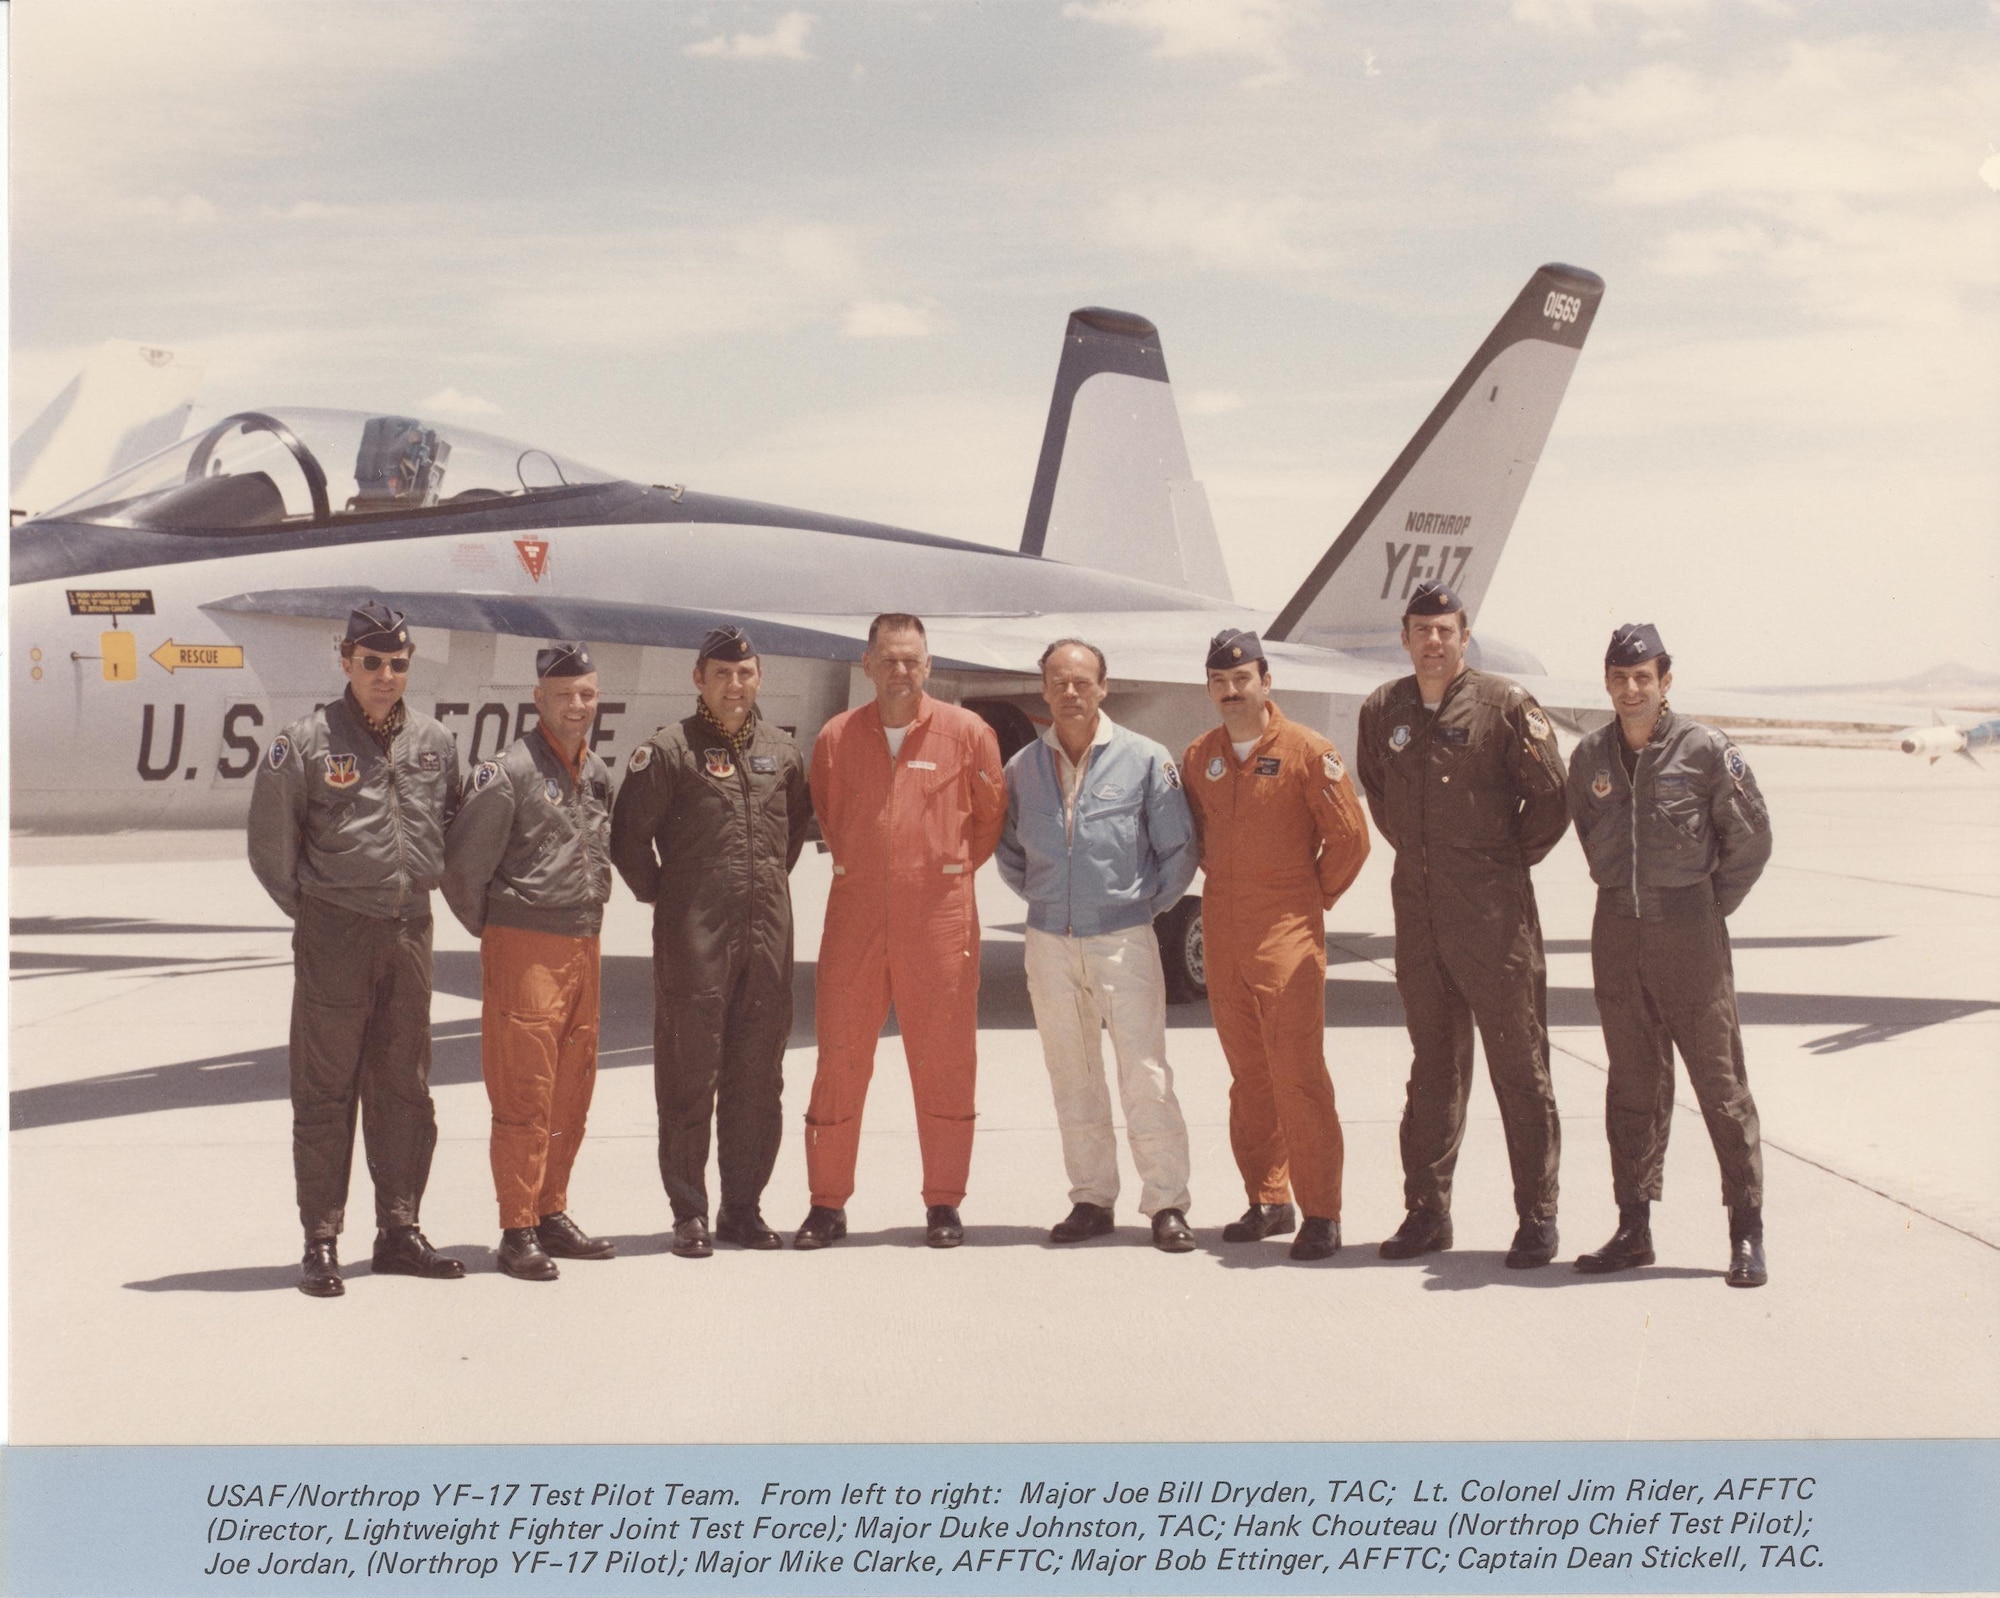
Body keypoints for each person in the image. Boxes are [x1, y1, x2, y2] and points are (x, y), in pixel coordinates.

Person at [247, 602, 465, 1298]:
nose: (385, 675)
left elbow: (453, 826)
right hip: (334, 933)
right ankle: (321, 1239)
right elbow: (271, 851)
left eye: (397, 664)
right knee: (325, 1091)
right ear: (346, 661)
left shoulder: (435, 741)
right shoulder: (305, 742)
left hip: (409, 931)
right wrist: (318, 908)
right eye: (371, 663)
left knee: (405, 1085)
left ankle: (399, 1230)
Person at [1356, 581, 1570, 1268]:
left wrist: (1496, 863)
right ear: (1405, 635)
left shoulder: (1504, 705)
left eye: (1445, 629)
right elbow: (1381, 797)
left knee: (1519, 1064)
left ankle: (1537, 1216)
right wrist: (1431, 859)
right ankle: (1427, 1211)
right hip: (1418, 914)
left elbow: (1551, 800)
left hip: (1493, 916)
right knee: (1432, 1068)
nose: (1433, 641)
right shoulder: (1381, 709)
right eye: (1422, 630)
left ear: (1464, 633)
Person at [1567, 624, 1772, 1287]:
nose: (1631, 690)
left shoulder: (1705, 750)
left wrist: (1710, 907)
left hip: (1689, 929)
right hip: (1617, 930)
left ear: (1665, 681)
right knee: (1631, 1083)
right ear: (1606, 682)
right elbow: (1588, 832)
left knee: (1719, 1083)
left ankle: (1746, 1232)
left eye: (1643, 678)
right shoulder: (1591, 757)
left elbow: (1751, 839)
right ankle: (1633, 1228)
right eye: (1620, 678)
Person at [796, 613, 1007, 1249]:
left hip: (939, 917)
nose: (901, 672)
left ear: (929, 665)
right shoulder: (837, 737)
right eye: (888, 660)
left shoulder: (968, 733)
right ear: (866, 664)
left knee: (944, 1061)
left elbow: (988, 819)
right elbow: (832, 815)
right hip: (856, 916)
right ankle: (827, 1203)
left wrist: (935, 871)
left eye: (912, 660)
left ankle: (944, 1201)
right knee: (839, 1058)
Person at [609, 626, 811, 1258]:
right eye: (721, 674)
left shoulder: (783, 753)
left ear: (759, 679)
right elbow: (628, 842)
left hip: (767, 940)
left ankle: (743, 1208)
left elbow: (793, 838)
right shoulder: (669, 751)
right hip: (695, 940)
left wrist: (759, 894)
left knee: (758, 1076)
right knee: (689, 1072)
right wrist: (672, 900)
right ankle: (689, 1212)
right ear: (698, 678)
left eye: (745, 673)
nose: (734, 685)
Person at [995, 639, 1200, 1252]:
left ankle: (1166, 1203)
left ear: (1104, 687)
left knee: (1145, 1074)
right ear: (1044, 691)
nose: (1071, 692)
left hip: (1122, 938)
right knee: (1072, 1074)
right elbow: (1009, 852)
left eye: (1083, 682)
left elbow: (1178, 851)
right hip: (1049, 942)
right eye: (1059, 682)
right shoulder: (1022, 769)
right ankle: (1091, 1198)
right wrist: (1047, 900)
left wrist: (1135, 908)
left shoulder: (1145, 760)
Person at [1182, 629, 1371, 1261]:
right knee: (1248, 1076)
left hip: (1286, 927)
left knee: (1297, 1073)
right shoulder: (1201, 755)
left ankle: (1323, 1211)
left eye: (1242, 679)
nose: (1231, 691)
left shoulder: (1308, 752)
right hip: (1224, 926)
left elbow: (1349, 840)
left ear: (1266, 681)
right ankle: (1268, 1199)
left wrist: (1307, 899)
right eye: (1218, 681)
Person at [441, 643, 617, 1281]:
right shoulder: (508, 772)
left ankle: (552, 1211)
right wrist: (501, 936)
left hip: (583, 943)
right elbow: (461, 871)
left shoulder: (596, 773)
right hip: (525, 950)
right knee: (524, 1092)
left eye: (588, 694)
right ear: (539, 699)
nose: (578, 706)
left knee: (573, 1087)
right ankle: (517, 1227)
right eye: (565, 694)